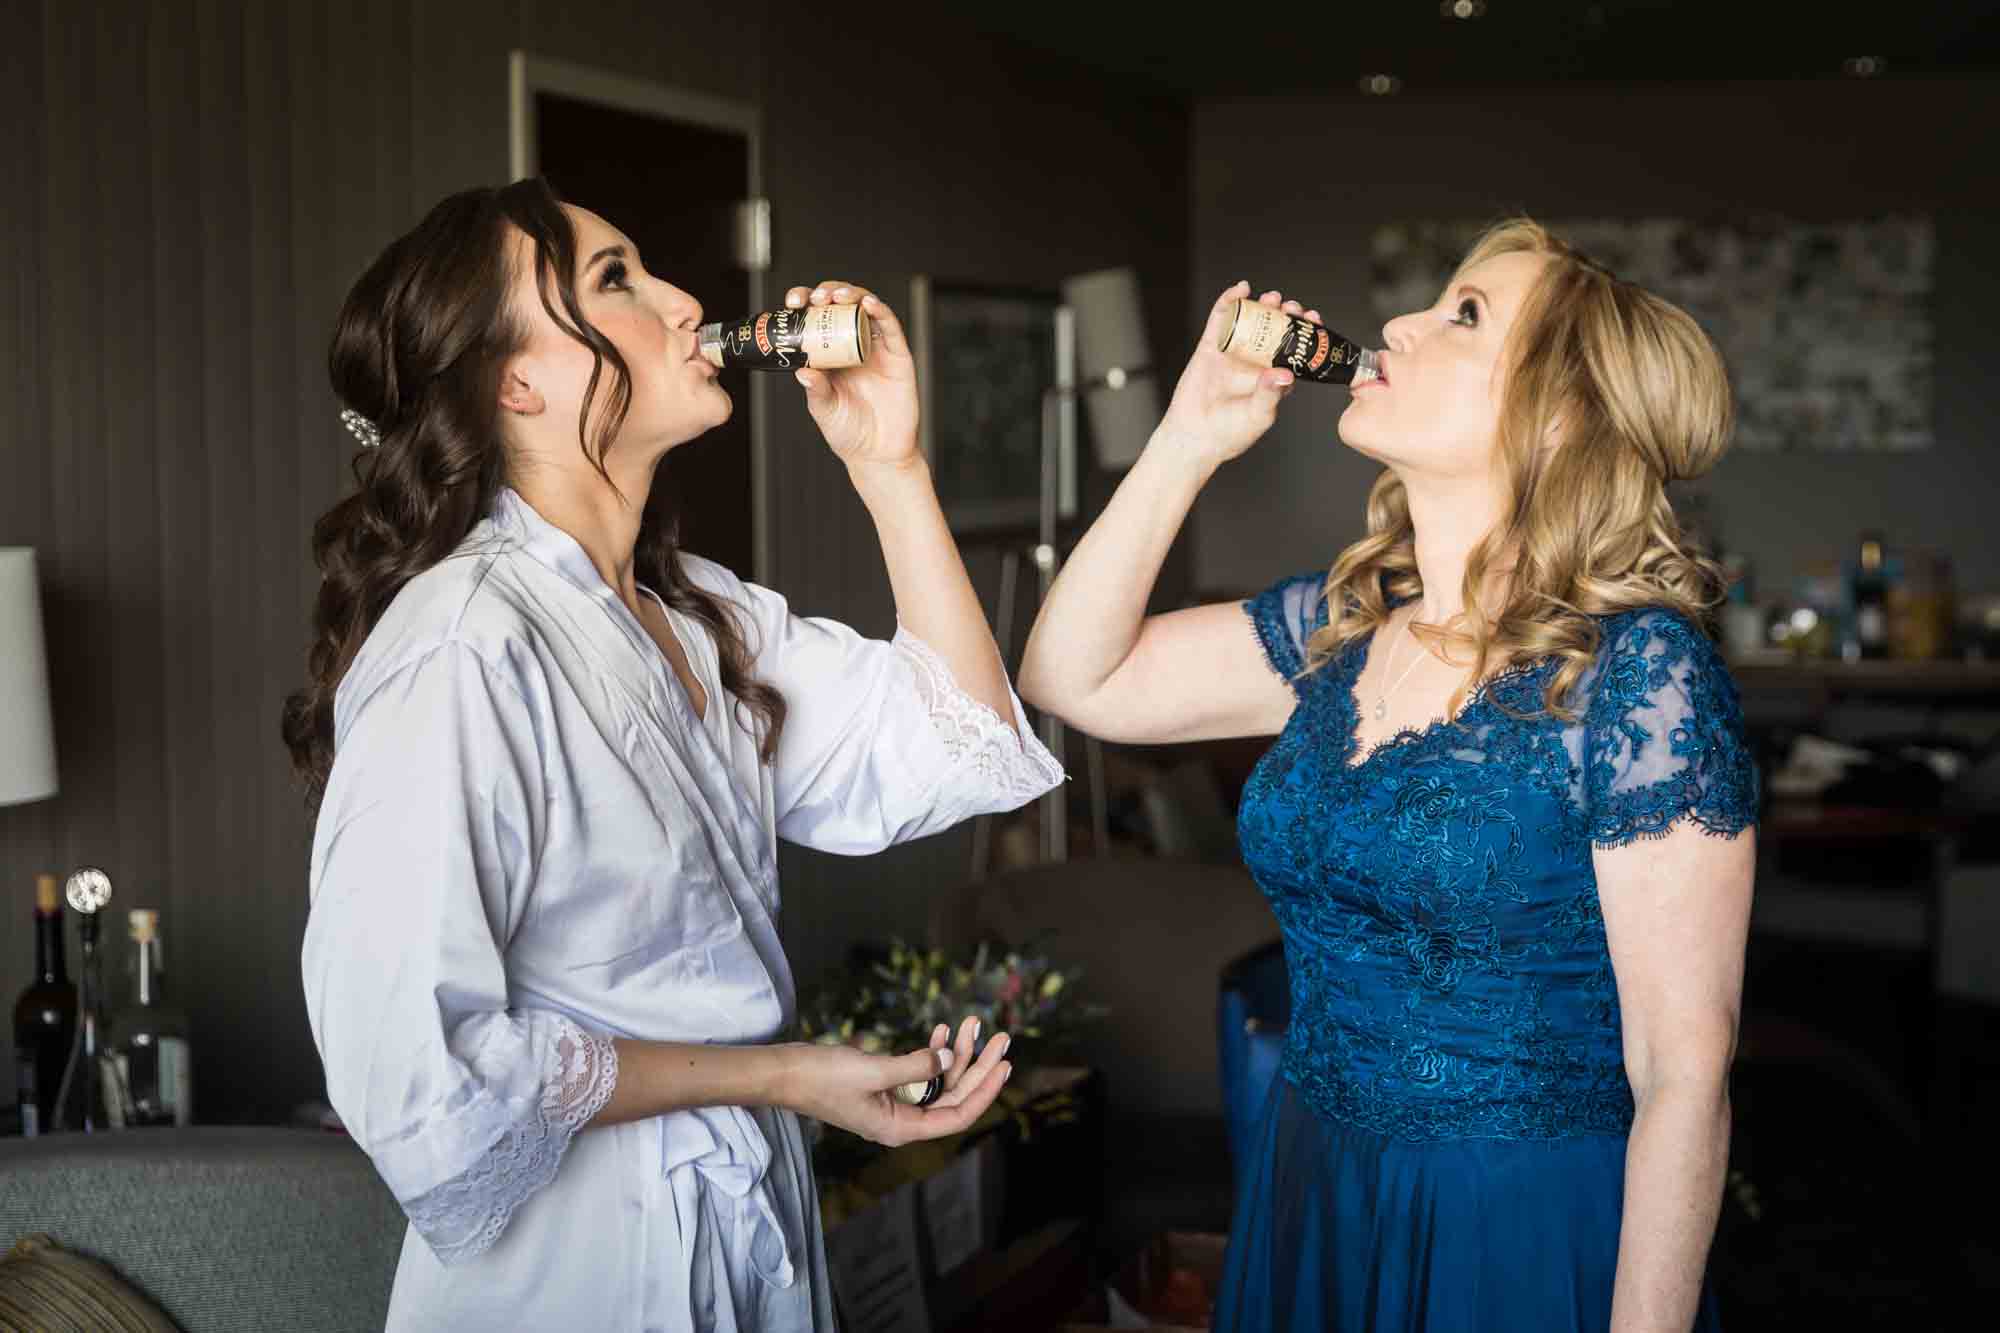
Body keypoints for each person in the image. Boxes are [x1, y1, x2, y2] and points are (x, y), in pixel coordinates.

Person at [281, 177, 1063, 1331]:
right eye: (617, 282)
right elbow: (417, 1070)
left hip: (741, 1223)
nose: (687, 300)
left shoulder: (695, 613)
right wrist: (782, 1073)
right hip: (578, 1263)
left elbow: (956, 738)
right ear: (518, 381)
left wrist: (888, 467)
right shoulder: (462, 644)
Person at [1019, 218, 1757, 1332]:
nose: (1401, 324)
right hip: (1311, 1185)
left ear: (1556, 413)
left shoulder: (1637, 673)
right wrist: (1185, 438)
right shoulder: (1338, 623)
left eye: (1463, 313)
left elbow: (1682, 1073)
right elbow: (1071, 676)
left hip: (1510, 1223)